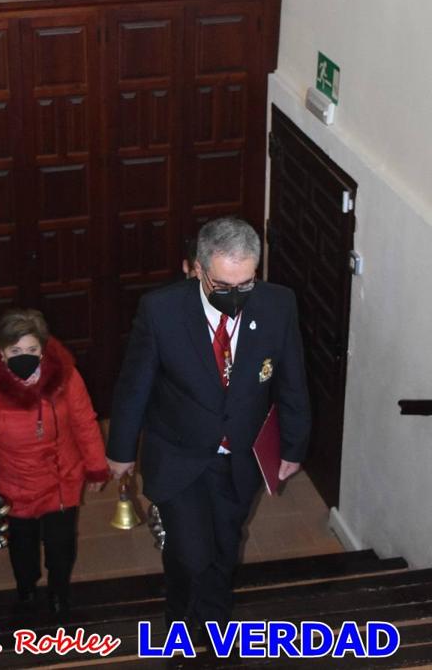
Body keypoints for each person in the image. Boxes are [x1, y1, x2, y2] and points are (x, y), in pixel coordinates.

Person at [107, 216, 311, 630]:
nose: (236, 296)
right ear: (198, 269)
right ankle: (184, 617)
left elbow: (292, 380)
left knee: (224, 545)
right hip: (178, 454)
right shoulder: (160, 311)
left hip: (240, 457)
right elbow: (135, 387)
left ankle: (209, 616)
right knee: (193, 550)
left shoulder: (278, 304)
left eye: (246, 284)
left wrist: (292, 447)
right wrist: (121, 452)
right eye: (222, 285)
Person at [0, 308, 109, 613]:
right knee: (22, 545)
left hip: (61, 476)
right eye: (15, 350)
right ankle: (26, 589)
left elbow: (85, 422)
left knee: (61, 543)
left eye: (31, 349)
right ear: (1, 353)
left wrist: (95, 467)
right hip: (13, 480)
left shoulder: (66, 377)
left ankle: (59, 591)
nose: (24, 356)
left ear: (43, 350)